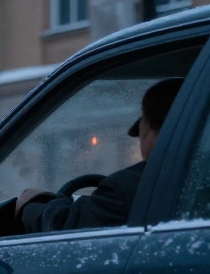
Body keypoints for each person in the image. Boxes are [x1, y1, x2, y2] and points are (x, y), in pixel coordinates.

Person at [17, 77, 184, 233]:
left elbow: (64, 227)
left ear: (149, 128)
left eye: (140, 132)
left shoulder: (129, 189)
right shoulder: (201, 178)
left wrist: (31, 205)